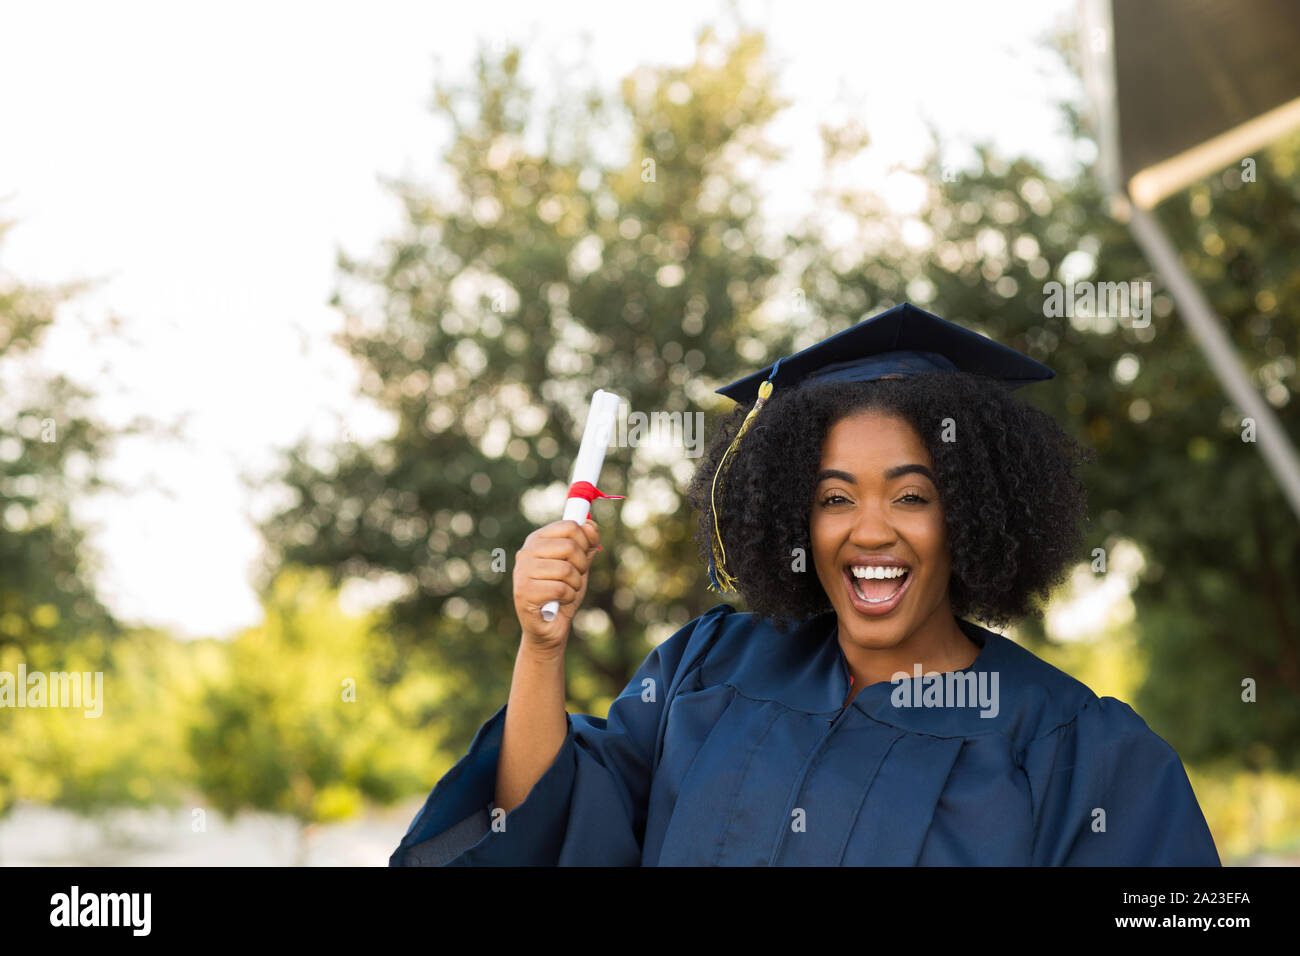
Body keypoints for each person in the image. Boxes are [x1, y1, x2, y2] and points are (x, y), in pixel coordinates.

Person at [389, 302, 1221, 866]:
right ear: (793, 517)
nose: (869, 530)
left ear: (971, 512)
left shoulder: (1077, 749)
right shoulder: (708, 672)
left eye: (911, 495)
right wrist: (543, 645)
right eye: (833, 498)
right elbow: (544, 821)